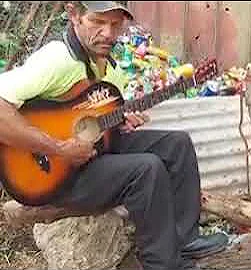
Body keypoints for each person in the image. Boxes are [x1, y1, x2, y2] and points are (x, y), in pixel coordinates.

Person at [0, 2, 228, 270]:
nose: (108, 33)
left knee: (177, 144)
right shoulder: (56, 59)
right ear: (74, 15)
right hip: (51, 175)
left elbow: (91, 120)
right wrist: (60, 149)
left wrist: (119, 121)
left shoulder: (108, 63)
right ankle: (161, 263)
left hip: (90, 156)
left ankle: (184, 239)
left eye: (115, 24)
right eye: (98, 21)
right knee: (146, 169)